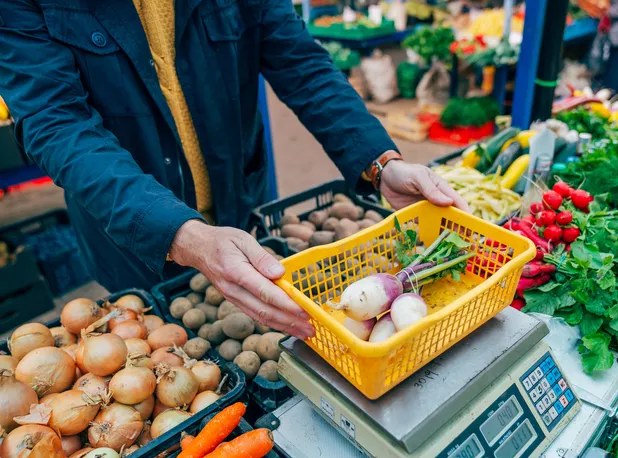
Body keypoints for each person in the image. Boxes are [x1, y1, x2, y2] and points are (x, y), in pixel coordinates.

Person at [0, 1, 467, 340]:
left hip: (236, 201)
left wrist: (381, 162)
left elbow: (299, 62)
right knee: (152, 337)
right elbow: (55, 120)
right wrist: (182, 233)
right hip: (128, 225)